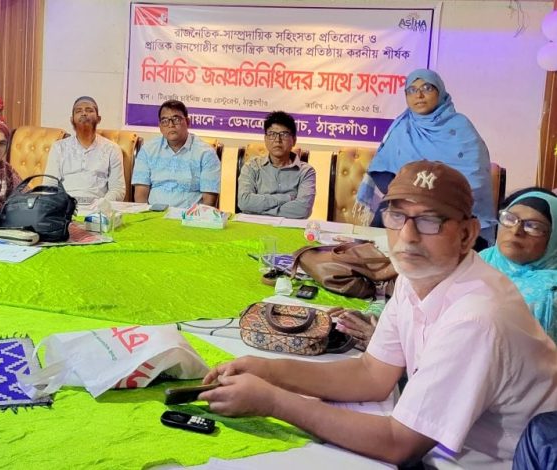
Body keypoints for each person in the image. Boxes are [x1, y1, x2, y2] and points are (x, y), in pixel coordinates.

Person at [200, 161, 557, 467]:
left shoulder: (477, 316)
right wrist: (267, 371)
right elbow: (372, 374)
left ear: (467, 234)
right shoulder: (418, 275)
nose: (408, 235)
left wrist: (272, 400)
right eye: (397, 215)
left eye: (430, 220)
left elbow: (399, 443)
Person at [354, 68, 496, 248]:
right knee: (383, 230)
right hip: (404, 206)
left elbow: (475, 179)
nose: (419, 95)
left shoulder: (461, 127)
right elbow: (383, 172)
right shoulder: (401, 127)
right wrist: (409, 197)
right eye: (412, 90)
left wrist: (430, 200)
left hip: (448, 210)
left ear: (440, 92)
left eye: (427, 88)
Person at [480, 187, 557, 341]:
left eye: (533, 226)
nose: (516, 231)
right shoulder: (475, 263)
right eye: (509, 219)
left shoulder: (552, 291)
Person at [132, 100, 220, 208]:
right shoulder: (148, 150)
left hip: (189, 216)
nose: (171, 125)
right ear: (160, 126)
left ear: (187, 122)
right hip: (153, 214)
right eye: (165, 121)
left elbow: (209, 202)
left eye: (176, 119)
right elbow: (140, 195)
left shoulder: (206, 154)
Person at [44, 96, 125, 203]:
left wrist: (101, 205)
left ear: (98, 119)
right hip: (65, 206)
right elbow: (49, 186)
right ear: (72, 119)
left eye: (89, 110)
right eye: (78, 111)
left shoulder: (112, 149)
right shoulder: (59, 148)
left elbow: (118, 189)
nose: (84, 113)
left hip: (98, 207)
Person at [237, 111, 316, 218]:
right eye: (272, 134)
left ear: (294, 140)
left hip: (289, 226)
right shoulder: (252, 166)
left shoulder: (306, 172)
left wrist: (258, 210)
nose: (277, 140)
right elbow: (244, 202)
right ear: (265, 139)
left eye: (284, 134)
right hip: (256, 225)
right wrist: (286, 198)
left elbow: (302, 210)